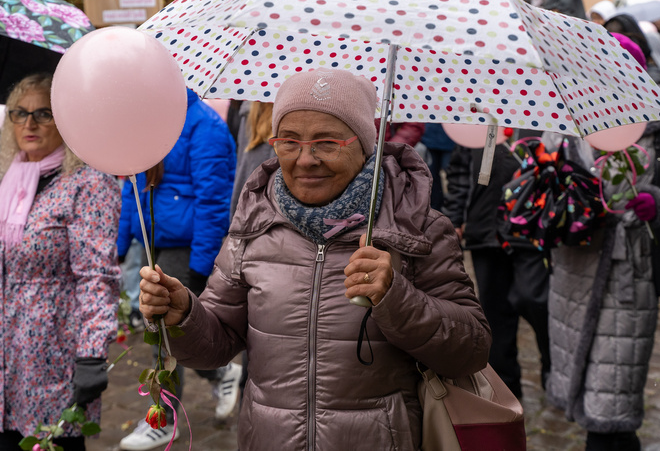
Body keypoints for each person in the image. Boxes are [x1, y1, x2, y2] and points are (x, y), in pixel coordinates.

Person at [138, 68, 491, 450]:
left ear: (364, 144)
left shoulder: (416, 228)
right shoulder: (255, 224)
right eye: (289, 141)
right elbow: (215, 345)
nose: (305, 159)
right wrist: (183, 315)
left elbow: (471, 350)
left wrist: (397, 298)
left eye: (326, 142)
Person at [547, 36, 660, 451]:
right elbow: (553, 170)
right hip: (573, 267)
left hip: (629, 272)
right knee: (584, 396)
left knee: (611, 408)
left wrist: (658, 200)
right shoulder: (569, 116)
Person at [0, 74, 121, 450]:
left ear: (66, 119)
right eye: (20, 113)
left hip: (48, 358)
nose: (29, 124)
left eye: (44, 113)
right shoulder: (5, 182)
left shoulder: (89, 183)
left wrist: (92, 352)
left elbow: (97, 276)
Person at [118, 87, 238, 451]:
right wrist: (121, 242)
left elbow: (213, 201)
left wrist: (200, 266)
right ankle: (220, 371)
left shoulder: (205, 127)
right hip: (153, 240)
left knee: (168, 334)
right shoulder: (147, 122)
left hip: (184, 249)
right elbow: (132, 187)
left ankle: (162, 416)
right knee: (175, 334)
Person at [443, 141, 551, 400]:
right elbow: (459, 173)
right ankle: (507, 389)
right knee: (494, 314)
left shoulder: (544, 111)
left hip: (532, 230)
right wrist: (455, 218)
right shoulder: (477, 115)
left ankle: (554, 369)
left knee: (534, 300)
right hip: (485, 229)